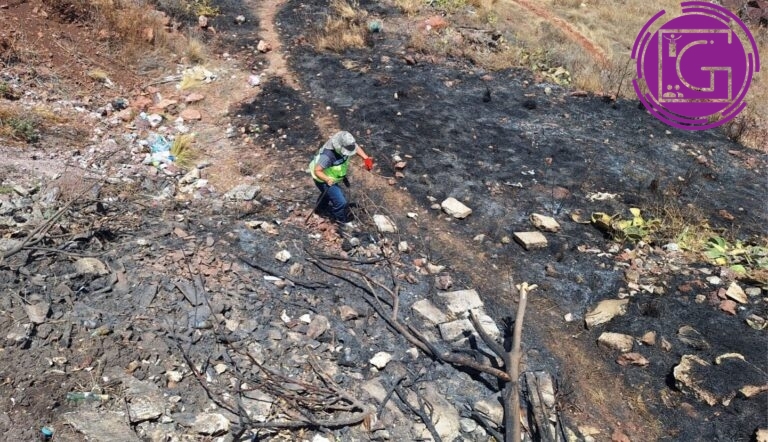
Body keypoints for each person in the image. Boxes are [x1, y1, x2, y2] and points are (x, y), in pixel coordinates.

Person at [308, 131, 373, 228]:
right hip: (323, 178)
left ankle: (320, 209)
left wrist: (365, 158)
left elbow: (355, 146)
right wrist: (327, 179)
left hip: (333, 176)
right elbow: (317, 170)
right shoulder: (328, 156)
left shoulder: (346, 143)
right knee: (340, 202)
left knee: (327, 195)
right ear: (339, 147)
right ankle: (342, 221)